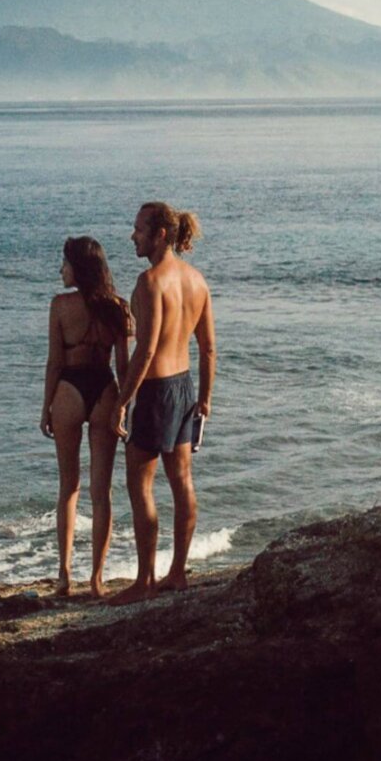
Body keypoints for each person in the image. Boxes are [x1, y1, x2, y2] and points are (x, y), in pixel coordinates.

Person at [109, 202, 216, 606]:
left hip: (154, 391)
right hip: (184, 386)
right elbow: (207, 348)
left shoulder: (150, 281)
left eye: (138, 229)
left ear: (160, 236)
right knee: (183, 481)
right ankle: (177, 574)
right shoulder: (197, 280)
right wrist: (204, 398)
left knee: (141, 486)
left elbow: (147, 350)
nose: (132, 235)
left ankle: (144, 581)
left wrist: (123, 401)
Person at [41, 237, 130, 597]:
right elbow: (123, 367)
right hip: (104, 389)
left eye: (64, 263)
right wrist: (124, 406)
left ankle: (64, 575)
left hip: (69, 390)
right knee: (101, 491)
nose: (61, 269)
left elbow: (54, 362)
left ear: (79, 267)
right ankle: (96, 578)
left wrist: (44, 406)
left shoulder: (60, 306)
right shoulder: (119, 307)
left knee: (68, 486)